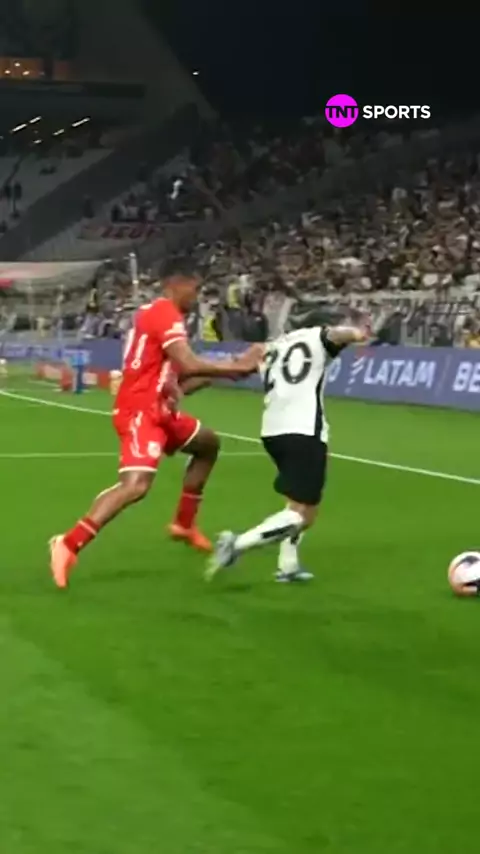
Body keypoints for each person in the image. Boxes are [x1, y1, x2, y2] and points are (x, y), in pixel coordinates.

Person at [49, 256, 263, 589]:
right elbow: (189, 364)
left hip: (160, 409)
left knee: (207, 444)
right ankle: (67, 543)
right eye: (195, 288)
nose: (197, 296)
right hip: (140, 411)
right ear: (178, 283)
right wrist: (238, 366)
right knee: (135, 486)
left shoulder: (160, 316)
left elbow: (182, 381)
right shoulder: (165, 314)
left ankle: (183, 524)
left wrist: (229, 371)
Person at [207, 310, 371, 583]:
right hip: (303, 430)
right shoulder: (317, 337)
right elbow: (335, 335)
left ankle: (288, 565)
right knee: (300, 515)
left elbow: (241, 366)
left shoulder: (273, 346)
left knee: (304, 506)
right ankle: (237, 544)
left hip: (273, 431)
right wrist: (356, 333)